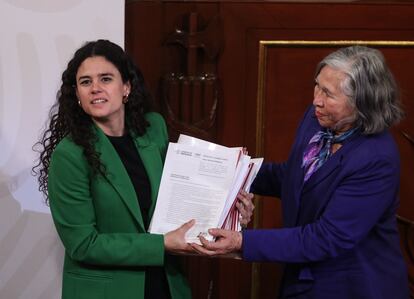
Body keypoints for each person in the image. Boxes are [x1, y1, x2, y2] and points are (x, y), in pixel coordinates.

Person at [32, 39, 254, 299]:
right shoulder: (69, 155)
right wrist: (160, 245)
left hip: (167, 285)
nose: (95, 89)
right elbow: (83, 245)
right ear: (77, 95)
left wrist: (230, 214)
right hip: (107, 291)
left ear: (126, 87)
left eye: (105, 79)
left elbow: (178, 197)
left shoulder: (153, 129)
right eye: (85, 82)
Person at [192, 46, 410, 298]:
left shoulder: (376, 158)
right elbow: (295, 177)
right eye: (317, 86)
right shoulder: (317, 119)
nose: (316, 100)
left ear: (361, 103)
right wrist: (230, 170)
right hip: (302, 279)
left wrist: (242, 241)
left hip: (352, 286)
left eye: (328, 94)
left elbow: (328, 237)